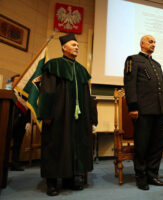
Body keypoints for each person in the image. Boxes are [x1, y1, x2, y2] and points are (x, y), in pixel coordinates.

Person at [37, 33, 93, 196]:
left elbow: (87, 96)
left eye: (77, 45)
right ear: (64, 47)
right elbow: (47, 90)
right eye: (73, 44)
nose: (76, 47)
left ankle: (70, 178)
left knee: (74, 146)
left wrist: (91, 117)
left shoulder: (82, 70)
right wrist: (46, 113)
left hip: (78, 117)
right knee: (55, 145)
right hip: (58, 115)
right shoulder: (54, 65)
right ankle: (52, 182)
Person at [124, 35, 163, 190]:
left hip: (158, 110)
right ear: (142, 43)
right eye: (150, 41)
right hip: (143, 110)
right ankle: (141, 176)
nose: (153, 44)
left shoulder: (157, 64)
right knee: (142, 145)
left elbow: (161, 88)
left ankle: (152, 175)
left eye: (155, 42)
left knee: (157, 145)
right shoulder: (133, 60)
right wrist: (133, 107)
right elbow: (129, 85)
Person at [9, 74, 31, 171]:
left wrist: (28, 122)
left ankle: (15, 164)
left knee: (17, 144)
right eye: (17, 81)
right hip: (9, 122)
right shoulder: (8, 93)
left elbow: (28, 107)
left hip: (21, 123)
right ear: (13, 82)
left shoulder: (24, 95)